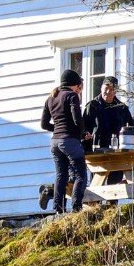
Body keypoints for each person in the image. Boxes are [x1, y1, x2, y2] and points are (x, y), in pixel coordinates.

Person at [40, 68, 87, 214]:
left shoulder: (51, 98)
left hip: (55, 143)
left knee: (61, 175)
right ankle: (76, 208)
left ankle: (58, 209)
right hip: (70, 141)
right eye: (80, 87)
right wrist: (83, 132)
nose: (79, 90)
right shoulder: (72, 96)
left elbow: (44, 124)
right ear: (76, 85)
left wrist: (58, 127)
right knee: (81, 175)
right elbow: (76, 119)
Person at [83, 77, 134, 151]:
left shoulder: (122, 109)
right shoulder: (92, 106)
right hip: (96, 150)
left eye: (111, 89)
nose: (108, 92)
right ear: (101, 88)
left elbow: (130, 129)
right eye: (106, 88)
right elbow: (84, 128)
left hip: (118, 151)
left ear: (116, 91)